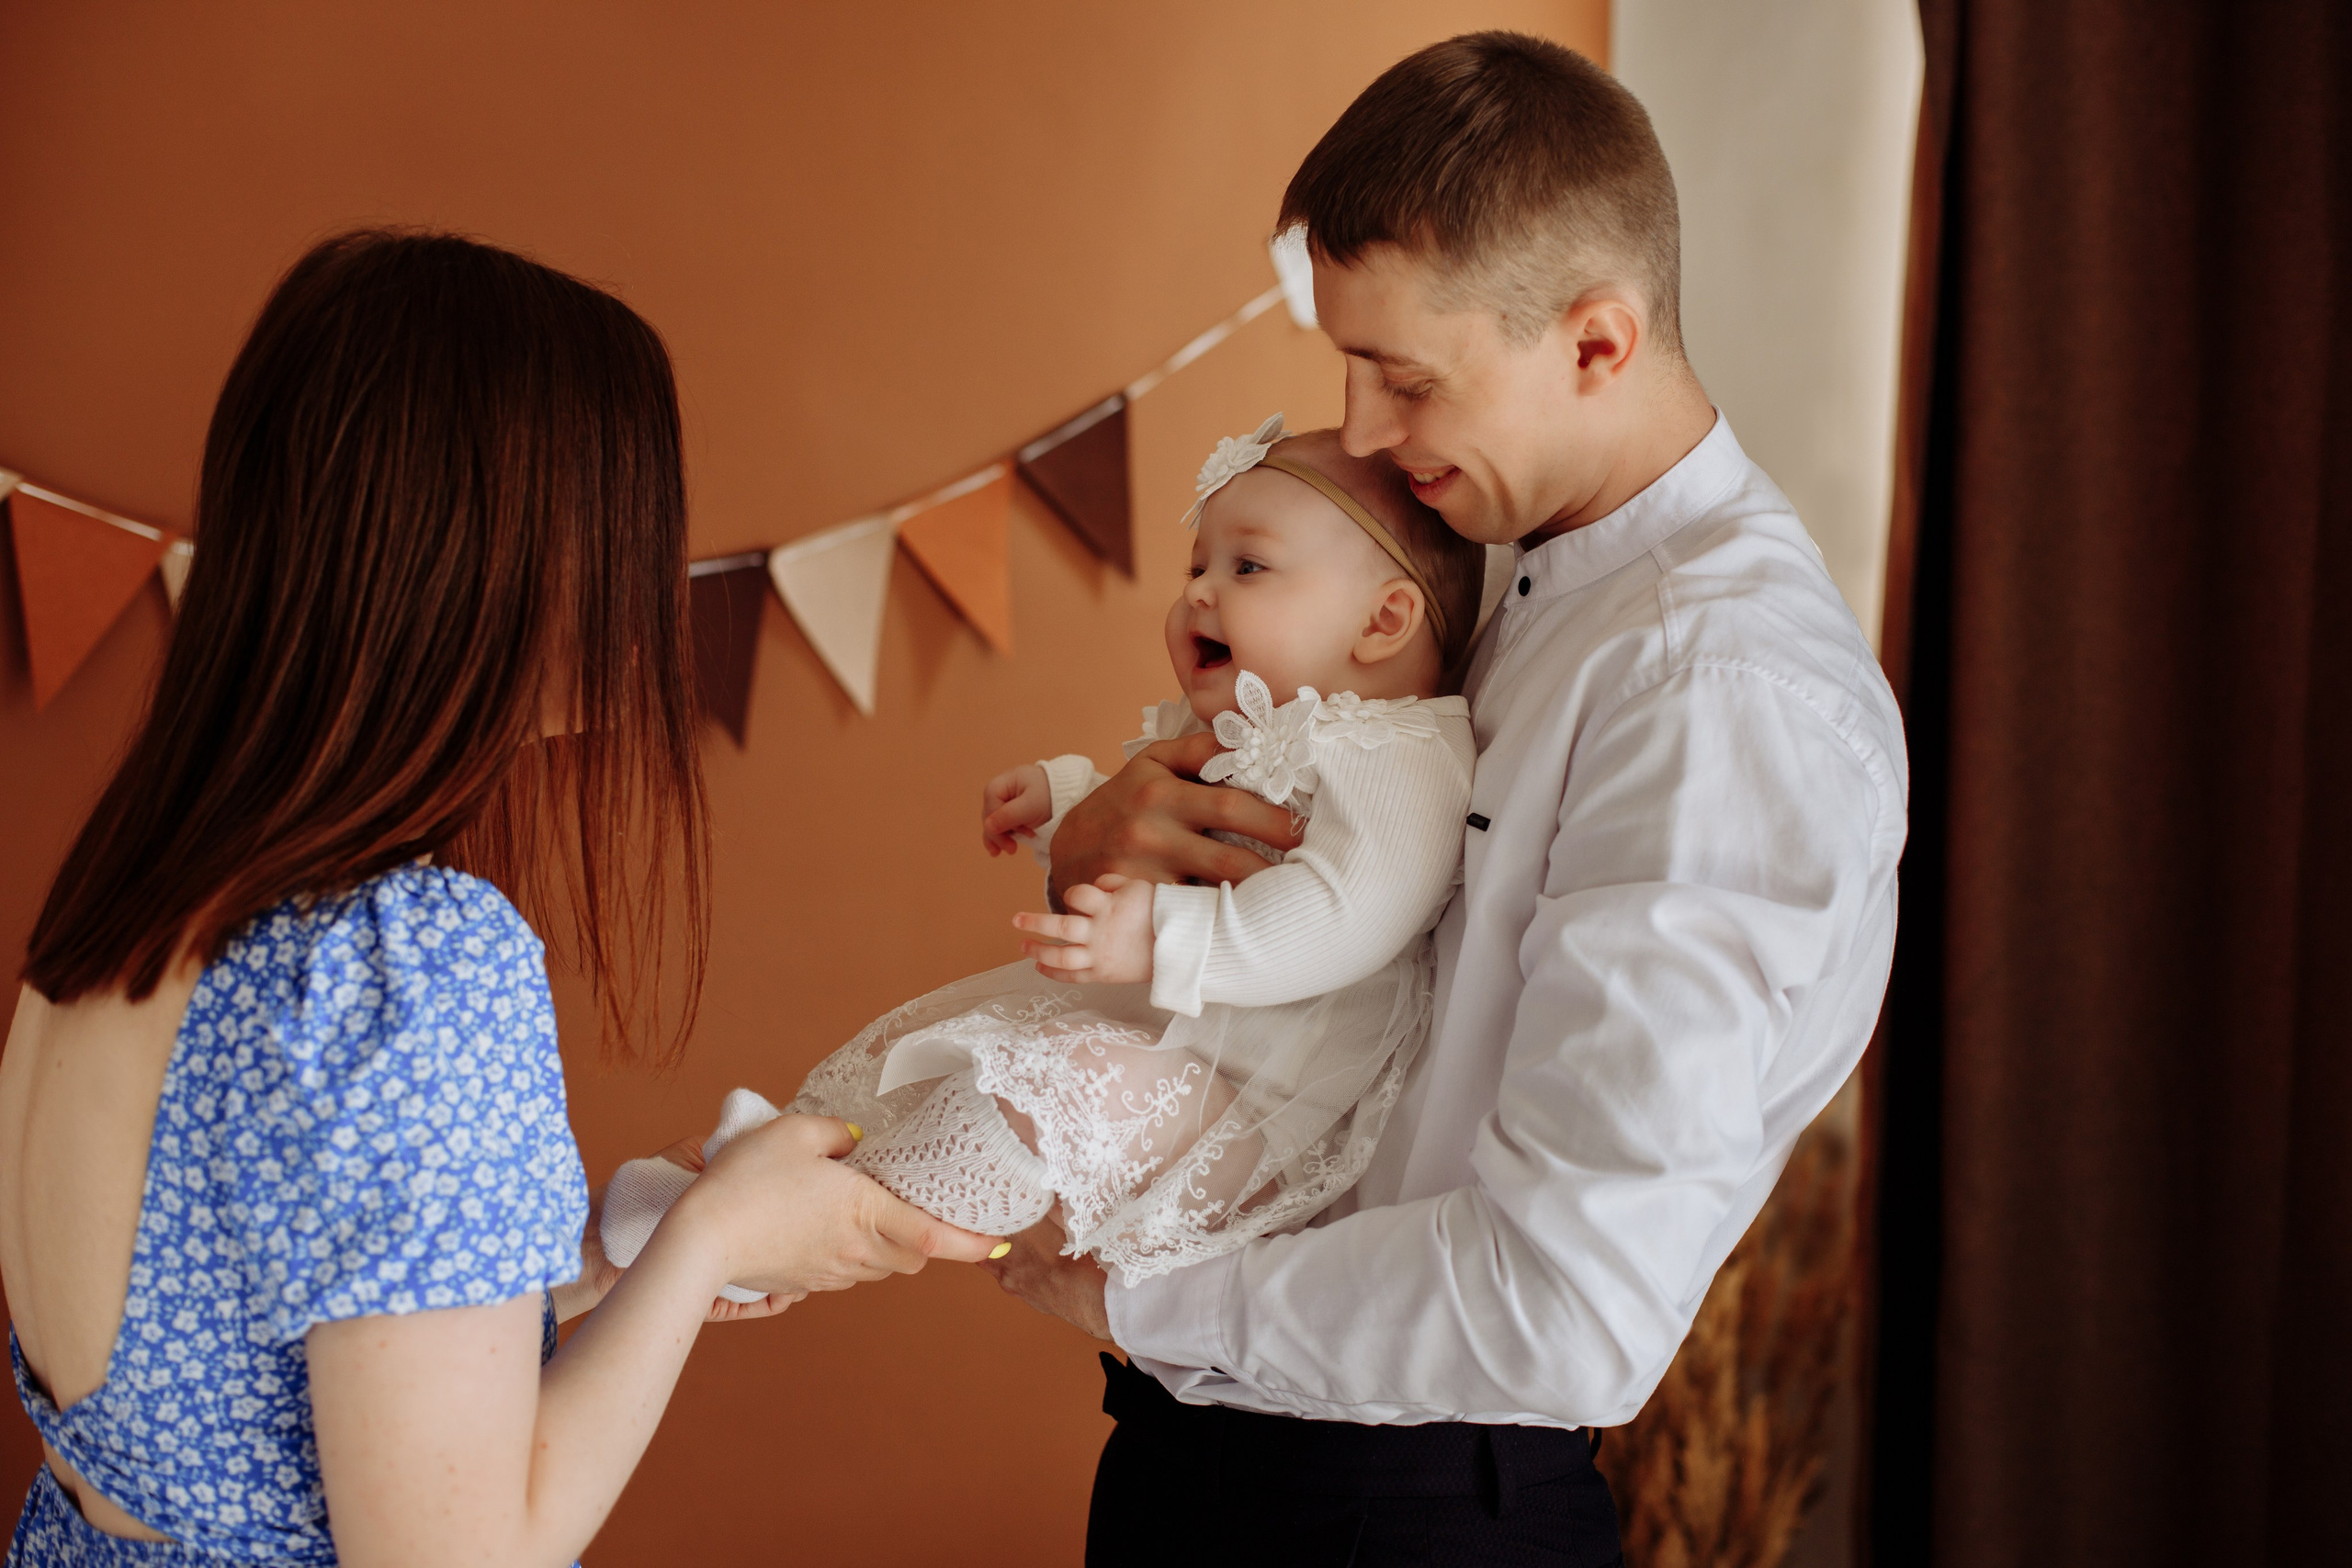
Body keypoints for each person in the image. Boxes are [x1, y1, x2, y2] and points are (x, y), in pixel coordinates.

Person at [981, 32, 1909, 1567]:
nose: (1358, 430)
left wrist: (1150, 1305)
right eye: (1353, 366)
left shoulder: (1719, 690)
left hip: (1396, 1508)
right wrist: (1118, 834)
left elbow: (1567, 1300)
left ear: (1598, 344)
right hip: (1227, 1462)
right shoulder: (1505, 570)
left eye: (1404, 378)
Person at [0, 230, 999, 1566]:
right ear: (502, 555)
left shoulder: (135, 901)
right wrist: (709, 1241)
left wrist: (613, 1247)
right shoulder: (398, 959)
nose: (655, 579)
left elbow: (258, 1350)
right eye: (631, 523)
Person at [598, 423, 1489, 1293]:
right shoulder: (1242, 725)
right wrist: (1066, 806)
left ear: (1383, 619)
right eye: (1196, 568)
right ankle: (756, 1174)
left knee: (1061, 1082)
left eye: (1246, 566)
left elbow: (1351, 912)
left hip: (1267, 1109)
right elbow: (1173, 827)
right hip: (1177, 1057)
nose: (1199, 597)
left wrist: (1164, 939)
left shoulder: (1398, 754)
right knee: (971, 1061)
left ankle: (789, 1222)